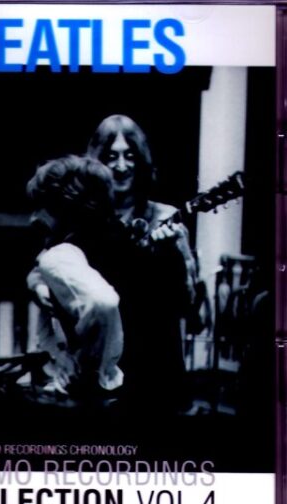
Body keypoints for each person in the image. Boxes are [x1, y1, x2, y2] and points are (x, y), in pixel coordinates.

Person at [82, 114, 198, 411]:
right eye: (111, 157)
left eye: (130, 156)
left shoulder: (166, 218)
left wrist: (171, 255)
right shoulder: (84, 220)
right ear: (97, 163)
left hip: (156, 366)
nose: (121, 166)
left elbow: (190, 306)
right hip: (99, 365)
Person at [26, 155, 124, 400]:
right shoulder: (120, 243)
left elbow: (102, 303)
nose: (33, 218)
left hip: (93, 398)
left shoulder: (60, 256)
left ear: (65, 208)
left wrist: (83, 375)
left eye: (41, 207)